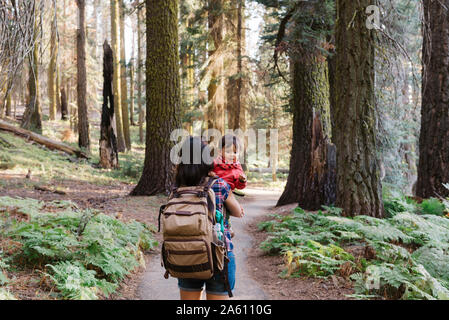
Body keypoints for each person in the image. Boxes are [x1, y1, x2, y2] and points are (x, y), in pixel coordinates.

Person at [176, 137, 244, 300]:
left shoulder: (177, 188)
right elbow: (237, 212)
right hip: (218, 254)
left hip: (187, 254)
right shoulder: (218, 184)